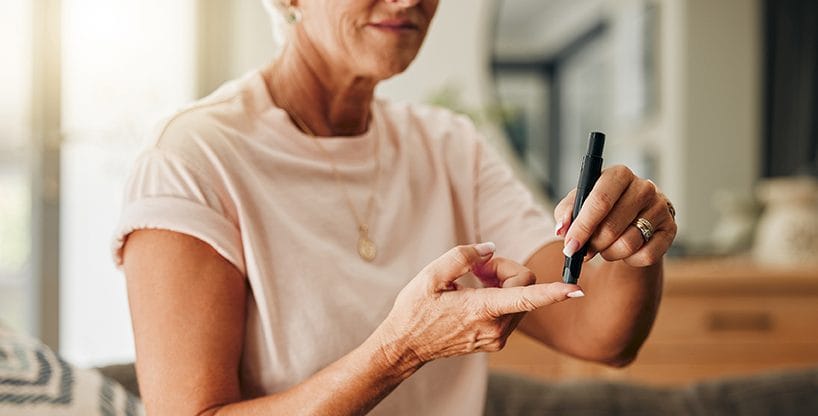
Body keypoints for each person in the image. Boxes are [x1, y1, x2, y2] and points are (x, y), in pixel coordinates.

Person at [113, 0, 677, 415]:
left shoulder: (449, 146)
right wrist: (399, 350)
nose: (410, 1)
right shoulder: (190, 159)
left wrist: (634, 245)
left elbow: (601, 336)